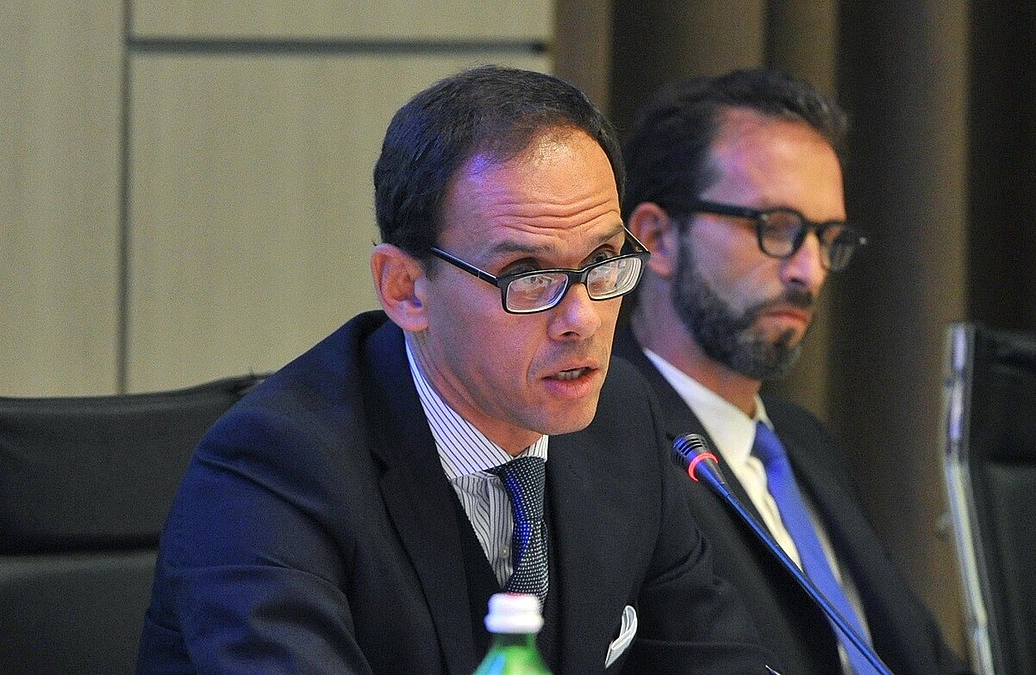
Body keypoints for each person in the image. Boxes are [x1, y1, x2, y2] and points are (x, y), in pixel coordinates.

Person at [136, 65, 777, 674]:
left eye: (603, 260)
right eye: (528, 275)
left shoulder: (620, 420)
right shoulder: (274, 469)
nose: (581, 318)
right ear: (406, 289)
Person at [615, 68, 971, 675]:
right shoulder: (610, 448)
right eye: (775, 229)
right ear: (658, 238)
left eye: (827, 237)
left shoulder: (804, 444)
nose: (810, 271)